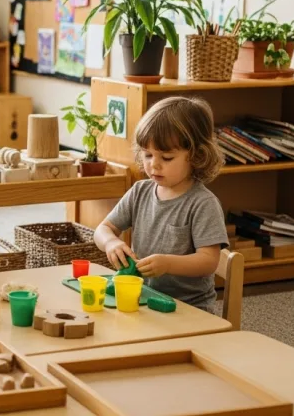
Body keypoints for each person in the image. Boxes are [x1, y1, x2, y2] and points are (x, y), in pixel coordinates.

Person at [92, 96, 228, 313]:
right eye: (147, 154)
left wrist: (168, 264)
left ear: (196, 155)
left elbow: (209, 261)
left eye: (166, 157)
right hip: (144, 299)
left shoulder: (203, 203)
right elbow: (103, 229)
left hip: (189, 308)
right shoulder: (140, 191)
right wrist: (110, 243)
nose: (153, 164)